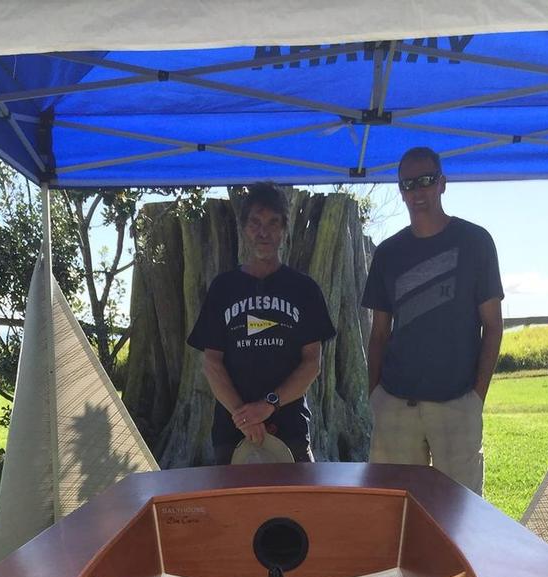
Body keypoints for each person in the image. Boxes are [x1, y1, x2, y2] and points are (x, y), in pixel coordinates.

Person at [361, 147, 504, 495]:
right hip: (395, 404)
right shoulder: (388, 253)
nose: (417, 191)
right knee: (393, 509)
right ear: (400, 190)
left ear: (442, 183)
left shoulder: (476, 242)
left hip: (456, 403)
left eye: (426, 180)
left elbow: (494, 326)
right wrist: (375, 396)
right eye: (408, 184)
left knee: (460, 516)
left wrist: (475, 397)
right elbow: (379, 333)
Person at [188, 184, 336, 464]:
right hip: (232, 433)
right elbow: (211, 363)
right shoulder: (223, 289)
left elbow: (312, 363)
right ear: (244, 228)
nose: (263, 232)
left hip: (290, 430)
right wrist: (244, 416)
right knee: (232, 509)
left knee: (298, 508)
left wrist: (267, 406)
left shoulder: (304, 289)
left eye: (272, 223)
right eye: (255, 223)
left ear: (284, 229)